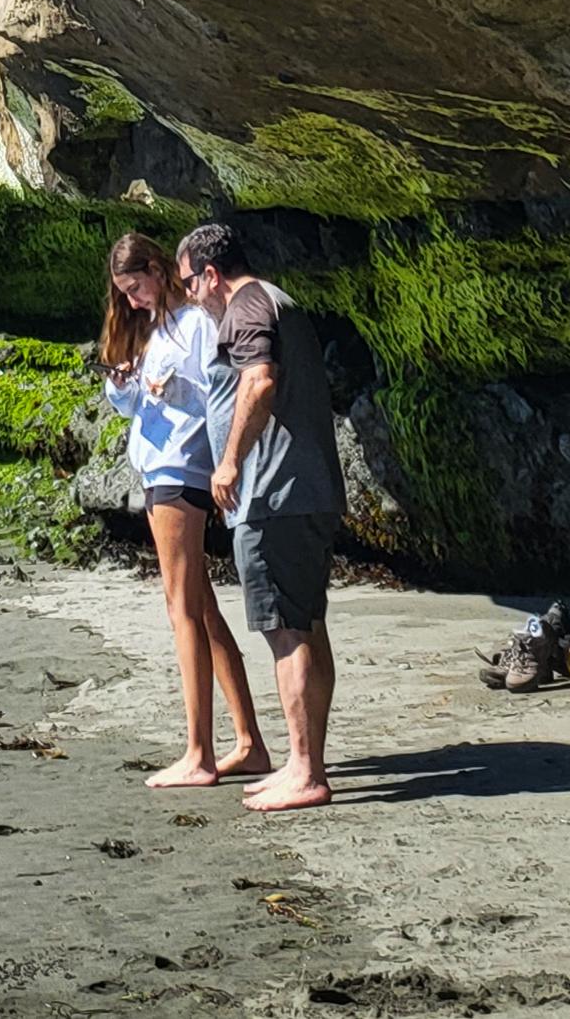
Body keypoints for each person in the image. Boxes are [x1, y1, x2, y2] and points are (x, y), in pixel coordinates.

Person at [179, 220, 346, 811]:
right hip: (304, 491)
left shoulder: (247, 305)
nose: (190, 296)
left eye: (189, 284)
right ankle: (306, 763)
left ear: (210, 273)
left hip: (276, 495)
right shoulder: (275, 299)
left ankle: (305, 770)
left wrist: (227, 464)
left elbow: (260, 380)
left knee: (285, 631)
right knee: (304, 626)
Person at [100, 231, 271, 790]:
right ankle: (249, 743)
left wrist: (167, 388)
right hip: (161, 467)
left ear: (157, 269)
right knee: (200, 605)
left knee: (182, 608)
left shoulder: (196, 322)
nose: (132, 300)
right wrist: (125, 385)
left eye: (136, 287)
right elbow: (137, 404)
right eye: (124, 293)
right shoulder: (156, 329)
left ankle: (199, 752)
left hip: (181, 471)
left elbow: (214, 394)